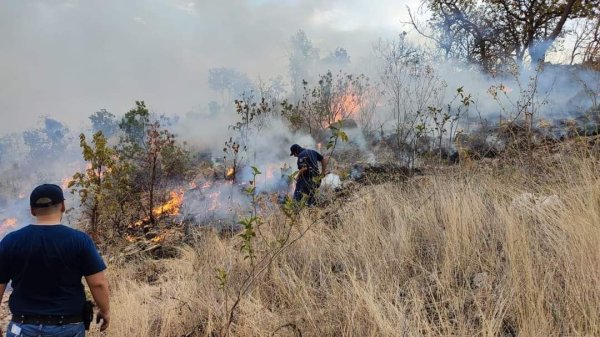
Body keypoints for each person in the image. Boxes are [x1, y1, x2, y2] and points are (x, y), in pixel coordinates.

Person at [0, 184, 110, 337]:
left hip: (22, 328)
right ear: (63, 206)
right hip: (68, 328)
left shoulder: (10, 241)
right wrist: (105, 311)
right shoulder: (79, 240)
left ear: (32, 210)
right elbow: (98, 283)